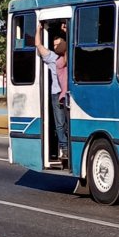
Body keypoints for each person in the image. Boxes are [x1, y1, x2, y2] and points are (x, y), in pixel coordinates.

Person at [35, 22, 68, 160]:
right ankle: (64, 148)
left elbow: (69, 46)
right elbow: (38, 45)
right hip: (57, 94)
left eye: (57, 45)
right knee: (60, 123)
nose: (55, 48)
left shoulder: (70, 54)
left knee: (69, 122)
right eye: (53, 45)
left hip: (69, 94)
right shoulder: (53, 58)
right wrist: (38, 29)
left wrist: (67, 31)